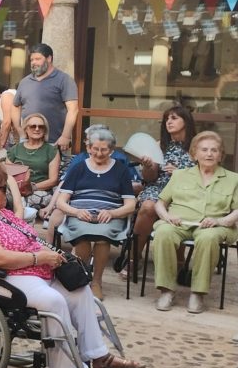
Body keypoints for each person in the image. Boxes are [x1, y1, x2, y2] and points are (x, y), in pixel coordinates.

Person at [0, 159, 141, 368]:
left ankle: (98, 356)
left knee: (79, 291)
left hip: (30, 272)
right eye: (3, 188)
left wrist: (49, 255)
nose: (8, 192)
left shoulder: (0, 213)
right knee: (53, 301)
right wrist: (39, 258)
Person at [152, 131, 238, 314]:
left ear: (221, 155)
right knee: (163, 233)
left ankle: (198, 293)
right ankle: (167, 290)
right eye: (204, 150)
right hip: (179, 222)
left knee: (207, 238)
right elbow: (160, 203)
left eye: (214, 150)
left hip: (215, 225)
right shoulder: (180, 175)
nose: (209, 154)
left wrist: (219, 220)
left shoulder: (233, 179)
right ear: (194, 154)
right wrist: (167, 217)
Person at [54, 126, 136, 299]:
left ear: (112, 150)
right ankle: (82, 280)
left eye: (104, 149)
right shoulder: (78, 168)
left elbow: (130, 204)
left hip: (109, 217)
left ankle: (97, 281)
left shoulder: (121, 170)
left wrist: (113, 214)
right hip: (80, 215)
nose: (99, 153)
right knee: (83, 235)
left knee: (101, 236)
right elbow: (61, 202)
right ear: (89, 148)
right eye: (95, 149)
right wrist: (76, 212)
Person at [132, 106, 196, 255]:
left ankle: (177, 262)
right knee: (148, 206)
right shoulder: (158, 145)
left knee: (179, 210)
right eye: (167, 119)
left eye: (174, 118)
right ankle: (133, 258)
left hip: (186, 191)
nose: (169, 122)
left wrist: (180, 174)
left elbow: (205, 175)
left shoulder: (197, 146)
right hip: (158, 188)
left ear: (186, 121)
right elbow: (149, 178)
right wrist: (148, 166)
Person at [12, 43, 79, 152]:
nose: (34, 63)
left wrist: (66, 136)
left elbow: (73, 110)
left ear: (49, 58)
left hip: (54, 142)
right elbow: (15, 106)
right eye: (32, 60)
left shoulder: (64, 80)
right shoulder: (24, 82)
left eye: (38, 59)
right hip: (27, 141)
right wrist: (19, 129)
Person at [7, 113, 60, 212]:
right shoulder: (15, 149)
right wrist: (17, 190)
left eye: (41, 126)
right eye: (33, 126)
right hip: (16, 190)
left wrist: (32, 187)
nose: (37, 129)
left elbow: (53, 180)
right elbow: (8, 176)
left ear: (45, 130)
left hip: (40, 191)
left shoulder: (51, 150)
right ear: (26, 129)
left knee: (31, 200)